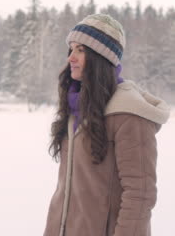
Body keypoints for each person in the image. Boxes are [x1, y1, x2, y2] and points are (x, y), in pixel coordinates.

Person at [43, 14, 170, 236]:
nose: (71, 57)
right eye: (71, 49)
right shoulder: (75, 108)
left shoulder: (128, 114)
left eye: (81, 50)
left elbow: (140, 194)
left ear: (101, 58)